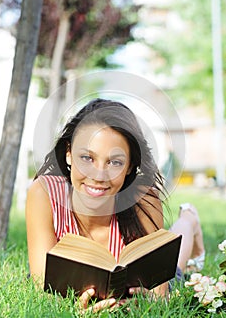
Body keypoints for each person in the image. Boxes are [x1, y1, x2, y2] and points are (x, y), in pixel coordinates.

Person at [26, 98, 205, 312]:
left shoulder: (143, 200)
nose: (99, 175)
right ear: (68, 153)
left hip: (134, 282)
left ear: (130, 166)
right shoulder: (44, 193)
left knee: (176, 264)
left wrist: (148, 302)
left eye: (115, 162)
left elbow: (161, 296)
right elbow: (42, 289)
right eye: (87, 158)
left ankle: (189, 218)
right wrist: (76, 310)